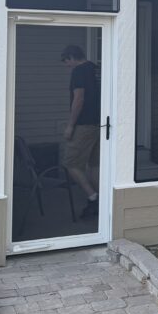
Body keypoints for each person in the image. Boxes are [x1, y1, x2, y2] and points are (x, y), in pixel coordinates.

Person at [60, 44, 100, 219]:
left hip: (84, 125)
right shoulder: (96, 69)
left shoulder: (79, 71)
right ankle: (101, 201)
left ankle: (93, 197)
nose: (67, 66)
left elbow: (79, 99)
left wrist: (70, 126)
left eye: (66, 62)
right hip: (100, 124)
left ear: (71, 57)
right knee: (94, 164)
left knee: (71, 163)